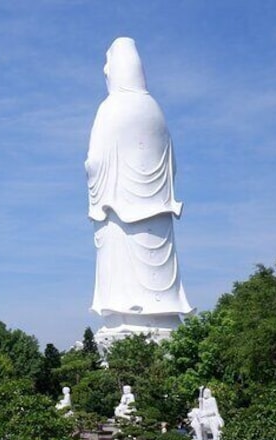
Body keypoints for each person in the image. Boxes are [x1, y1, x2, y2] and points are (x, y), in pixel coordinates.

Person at [85, 37, 193, 339]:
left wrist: (92, 171)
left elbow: (94, 163)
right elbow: (172, 166)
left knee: (121, 273)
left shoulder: (111, 108)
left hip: (116, 210)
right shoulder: (154, 109)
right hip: (157, 210)